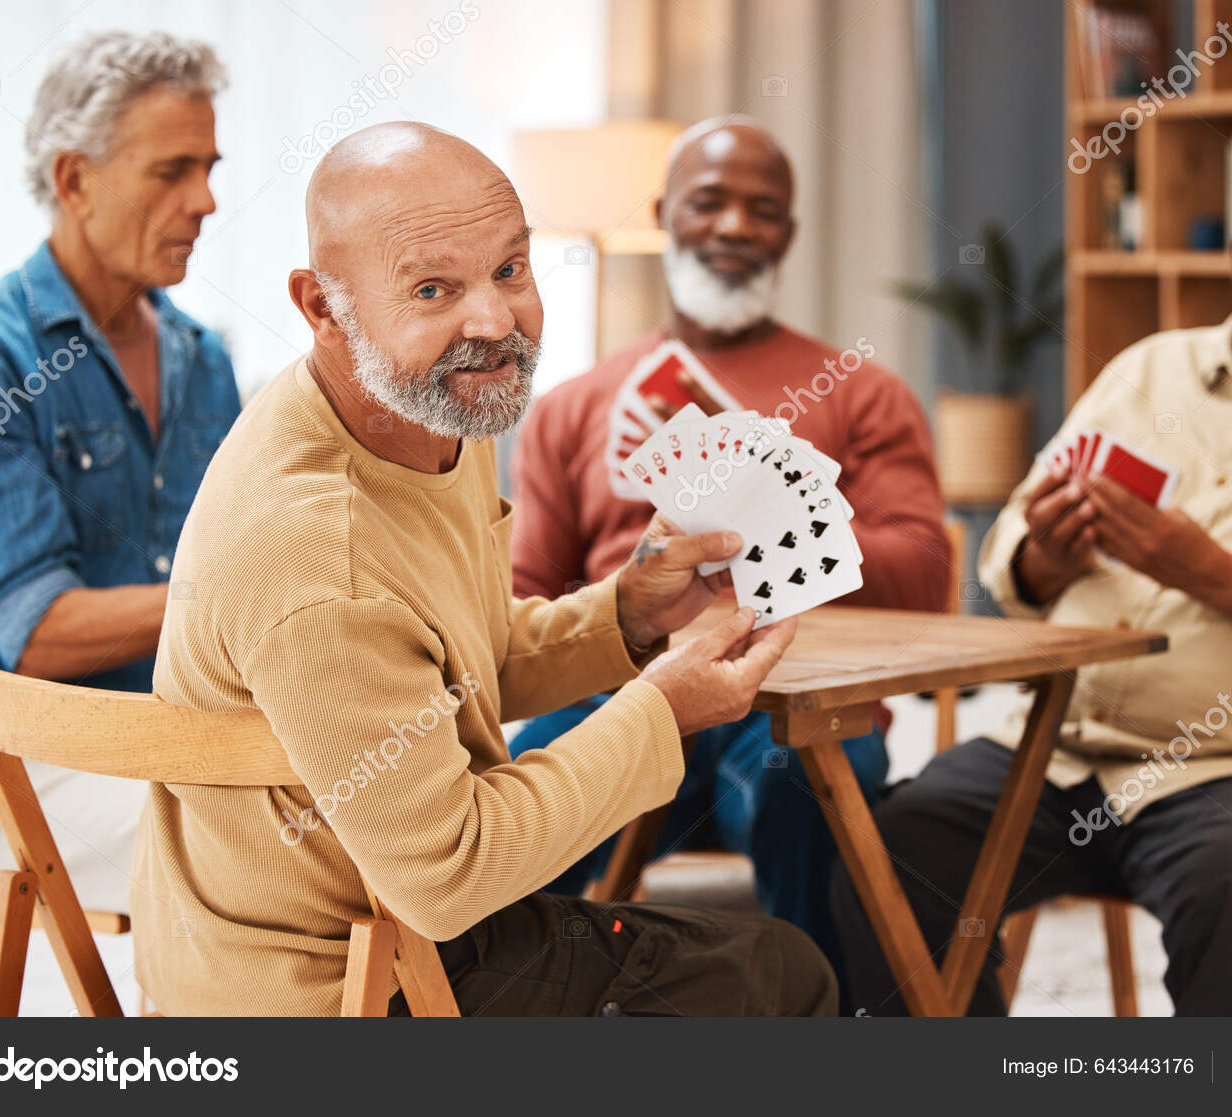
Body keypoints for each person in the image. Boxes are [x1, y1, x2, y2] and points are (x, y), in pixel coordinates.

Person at [133, 121, 835, 1017]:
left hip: (382, 921)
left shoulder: (434, 410)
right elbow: (451, 873)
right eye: (434, 288)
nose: (496, 323)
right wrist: (662, 711)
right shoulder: (318, 551)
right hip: (339, 986)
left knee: (740, 951)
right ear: (322, 307)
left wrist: (626, 613)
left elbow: (455, 668)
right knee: (783, 974)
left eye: (510, 269)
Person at [832, 105, 1232, 1016]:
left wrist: (1215, 575)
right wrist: (1048, 556)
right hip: (1058, 754)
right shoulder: (1149, 371)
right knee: (887, 851)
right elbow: (1008, 563)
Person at [509, 116, 950, 965]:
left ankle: (821, 1026)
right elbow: (529, 599)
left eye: (764, 210)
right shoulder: (570, 406)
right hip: (622, 691)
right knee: (512, 796)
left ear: (788, 232)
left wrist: (777, 528)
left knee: (812, 792)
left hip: (801, 698)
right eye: (710, 202)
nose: (737, 226)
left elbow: (928, 576)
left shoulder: (866, 394)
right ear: (663, 211)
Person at [0, 30, 239, 913]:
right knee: (270, 855)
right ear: (73, 179)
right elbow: (38, 631)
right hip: (14, 766)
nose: (205, 199)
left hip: (178, 739)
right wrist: (243, 599)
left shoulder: (202, 357)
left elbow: (251, 550)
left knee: (391, 803)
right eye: (172, 170)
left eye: (210, 165)